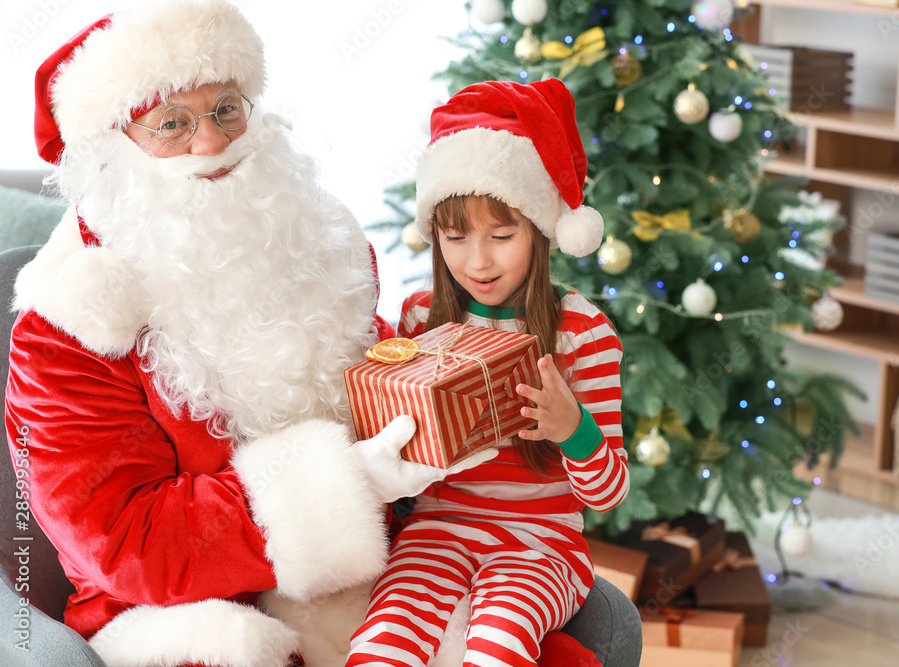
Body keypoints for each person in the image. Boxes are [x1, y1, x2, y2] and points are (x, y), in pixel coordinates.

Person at [6, 2, 640, 666]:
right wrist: (348, 483)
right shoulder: (71, 326)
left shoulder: (323, 246)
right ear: (113, 153)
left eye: (227, 108)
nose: (212, 142)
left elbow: (393, 385)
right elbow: (123, 541)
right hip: (192, 617)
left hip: (376, 577)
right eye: (171, 123)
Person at [346, 79, 630, 667]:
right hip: (437, 529)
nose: (478, 261)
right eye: (455, 237)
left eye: (502, 236)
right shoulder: (421, 316)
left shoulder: (582, 331)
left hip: (541, 544)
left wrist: (572, 427)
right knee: (382, 642)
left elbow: (610, 492)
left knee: (499, 643)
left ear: (541, 230)